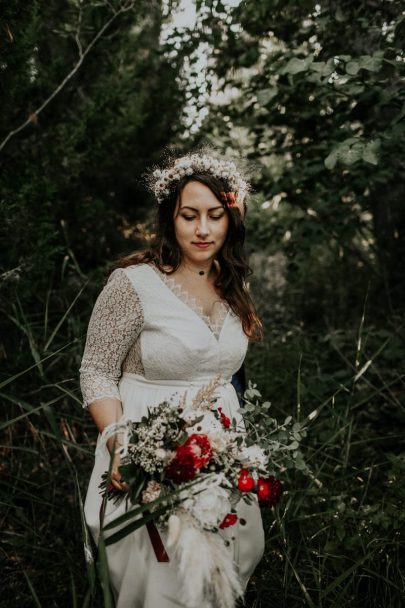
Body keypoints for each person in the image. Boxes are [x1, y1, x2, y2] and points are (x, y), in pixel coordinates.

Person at [79, 151, 265, 608]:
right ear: (170, 218)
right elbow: (97, 369)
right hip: (145, 446)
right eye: (189, 216)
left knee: (223, 570)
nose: (203, 230)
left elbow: (228, 375)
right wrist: (119, 443)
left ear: (231, 218)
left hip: (222, 448)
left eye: (215, 216)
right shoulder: (133, 283)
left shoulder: (233, 282)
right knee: (164, 583)